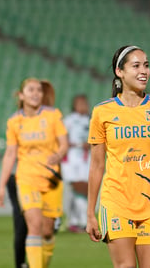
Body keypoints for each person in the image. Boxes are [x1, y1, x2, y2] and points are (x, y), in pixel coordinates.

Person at [86, 45, 150, 268]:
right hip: (116, 202)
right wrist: (90, 213)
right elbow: (97, 165)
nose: (144, 71)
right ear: (120, 72)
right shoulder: (102, 112)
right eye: (136, 65)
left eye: (146, 65)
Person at [0, 78, 69, 268]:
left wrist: (59, 154)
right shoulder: (14, 121)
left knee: (47, 232)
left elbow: (64, 144)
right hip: (26, 179)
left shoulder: (53, 115)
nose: (36, 93)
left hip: (51, 179)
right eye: (30, 90)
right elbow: (10, 153)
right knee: (34, 225)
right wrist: (2, 186)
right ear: (21, 95)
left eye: (38, 90)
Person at [61, 94, 91, 233]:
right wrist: (77, 144)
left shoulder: (90, 120)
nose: (83, 106)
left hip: (85, 159)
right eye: (80, 103)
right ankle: (83, 222)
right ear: (75, 105)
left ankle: (74, 221)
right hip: (71, 159)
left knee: (80, 191)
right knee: (78, 188)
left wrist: (89, 144)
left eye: (85, 103)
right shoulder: (69, 120)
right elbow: (62, 139)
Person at [6, 172, 28, 268]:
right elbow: (9, 157)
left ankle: (31, 263)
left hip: (38, 178)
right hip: (19, 177)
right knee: (21, 223)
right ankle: (21, 264)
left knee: (42, 228)